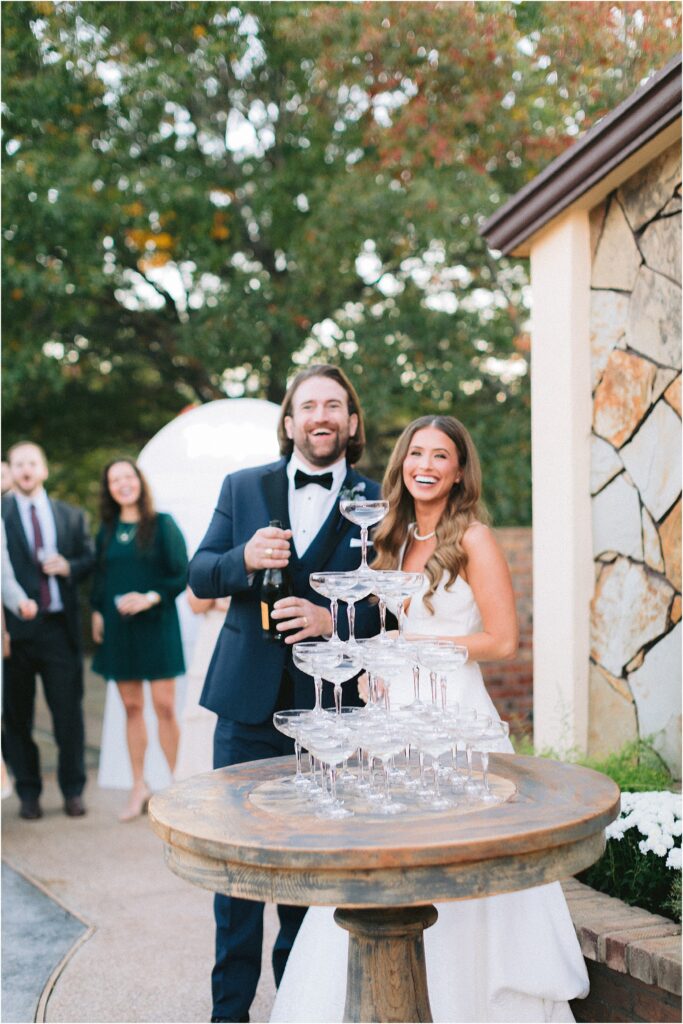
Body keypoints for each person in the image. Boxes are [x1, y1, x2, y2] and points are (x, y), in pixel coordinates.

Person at [270, 415, 589, 1024]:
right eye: (417, 453)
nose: (426, 465)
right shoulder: (389, 534)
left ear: (459, 470)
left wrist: (424, 652)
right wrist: (368, 657)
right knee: (391, 848)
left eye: (441, 456)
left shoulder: (474, 538)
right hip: (393, 713)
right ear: (402, 464)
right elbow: (385, 624)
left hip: (454, 711)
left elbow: (503, 641)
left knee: (461, 850)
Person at [189, 363, 381, 1024]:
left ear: (350, 422)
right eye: (308, 406)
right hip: (244, 706)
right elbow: (199, 574)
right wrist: (242, 558)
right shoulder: (243, 487)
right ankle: (229, 1014)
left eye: (334, 405)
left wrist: (335, 621)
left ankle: (300, 1010)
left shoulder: (375, 498)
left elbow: (393, 607)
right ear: (289, 420)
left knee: (314, 869)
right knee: (238, 869)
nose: (320, 416)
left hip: (330, 714)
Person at [91, 458, 188, 822]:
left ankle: (178, 786)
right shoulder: (107, 529)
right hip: (120, 631)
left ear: (139, 481)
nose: (123, 484)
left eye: (127, 476)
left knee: (164, 706)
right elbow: (101, 578)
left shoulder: (162, 525)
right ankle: (138, 785)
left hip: (157, 626)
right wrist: (98, 611)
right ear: (110, 489)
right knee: (132, 707)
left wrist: (150, 596)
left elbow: (181, 573)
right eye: (115, 480)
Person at [2, 441, 95, 820]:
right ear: (11, 469)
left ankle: (73, 790)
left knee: (67, 714)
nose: (26, 469)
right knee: (16, 717)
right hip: (16, 631)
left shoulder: (70, 516)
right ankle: (28, 792)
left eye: (32, 463)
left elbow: (90, 559)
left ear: (44, 469)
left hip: (59, 628)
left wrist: (68, 566)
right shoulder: (2, 512)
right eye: (18, 463)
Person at [173, 586, 226, 781]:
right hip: (211, 639)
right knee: (201, 719)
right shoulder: (212, 554)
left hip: (244, 636)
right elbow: (195, 604)